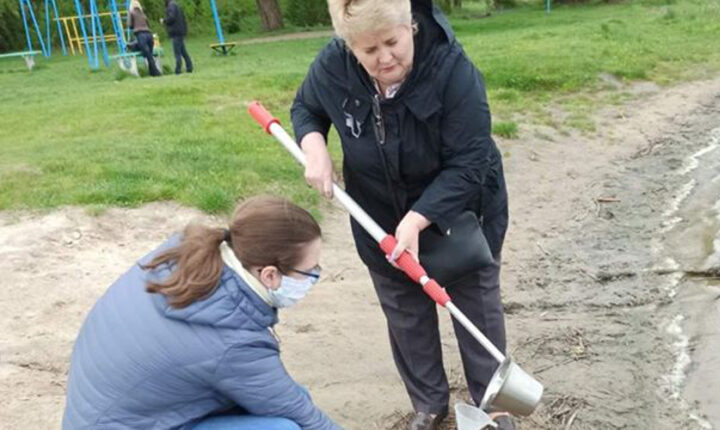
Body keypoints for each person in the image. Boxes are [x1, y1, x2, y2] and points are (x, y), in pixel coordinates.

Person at [290, 1, 512, 429]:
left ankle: (492, 404)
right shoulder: (334, 64)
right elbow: (306, 107)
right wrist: (313, 145)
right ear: (349, 46)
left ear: (410, 26)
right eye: (369, 50)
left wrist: (418, 218)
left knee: (475, 306)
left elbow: (471, 161)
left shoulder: (452, 70)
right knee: (405, 312)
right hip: (379, 215)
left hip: (461, 214)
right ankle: (428, 404)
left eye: (392, 42)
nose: (385, 58)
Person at [62, 195, 342, 430]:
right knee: (283, 428)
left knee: (290, 396)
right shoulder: (234, 344)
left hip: (106, 415)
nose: (315, 275)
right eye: (310, 271)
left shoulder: (189, 253)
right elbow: (305, 418)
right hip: (125, 421)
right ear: (269, 275)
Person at [126, 0, 161, 77]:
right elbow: (148, 24)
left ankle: (156, 73)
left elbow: (129, 25)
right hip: (149, 34)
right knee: (149, 55)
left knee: (148, 55)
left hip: (140, 35)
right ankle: (153, 72)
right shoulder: (143, 13)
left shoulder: (131, 12)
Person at [162, 0, 193, 74]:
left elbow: (171, 18)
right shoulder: (176, 5)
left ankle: (178, 70)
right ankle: (189, 67)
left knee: (177, 53)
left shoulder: (171, 6)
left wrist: (164, 21)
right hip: (180, 31)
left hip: (175, 32)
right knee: (183, 51)